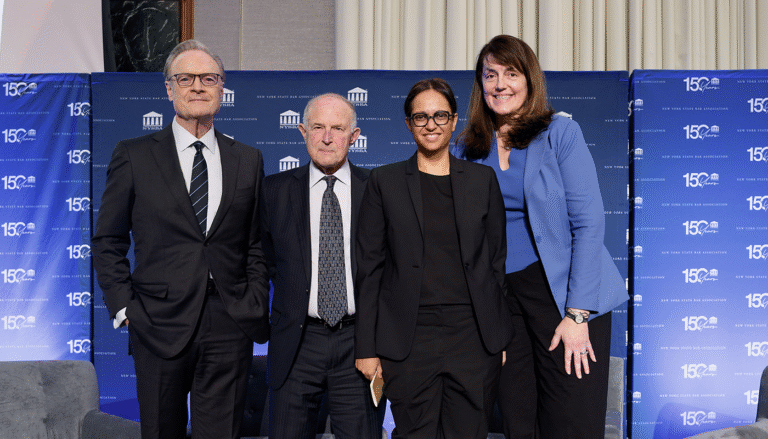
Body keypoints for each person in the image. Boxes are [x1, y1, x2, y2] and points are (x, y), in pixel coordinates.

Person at [91, 40, 270, 439]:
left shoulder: (248, 159)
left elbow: (255, 243)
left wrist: (253, 300)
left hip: (230, 322)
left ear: (221, 89)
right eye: (185, 78)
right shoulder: (134, 155)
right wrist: (126, 310)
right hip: (157, 321)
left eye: (208, 78)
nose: (197, 87)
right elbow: (108, 241)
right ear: (169, 89)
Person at [454, 35, 628, 439]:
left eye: (511, 74)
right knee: (519, 421)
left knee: (571, 423)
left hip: (564, 295)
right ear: (480, 84)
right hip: (503, 300)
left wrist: (577, 314)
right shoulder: (466, 149)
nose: (500, 84)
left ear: (529, 80)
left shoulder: (560, 134)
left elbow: (588, 224)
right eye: (490, 74)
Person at [355, 78, 512, 439]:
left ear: (454, 121)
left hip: (472, 336)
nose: (431, 124)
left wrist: (496, 335)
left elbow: (495, 263)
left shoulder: (482, 180)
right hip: (409, 339)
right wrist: (367, 347)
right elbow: (369, 269)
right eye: (421, 117)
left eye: (440, 115)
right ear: (409, 124)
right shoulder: (384, 181)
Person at [260, 93, 385, 439]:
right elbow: (262, 262)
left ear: (354, 136)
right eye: (318, 127)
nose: (327, 137)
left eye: (337, 128)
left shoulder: (377, 189)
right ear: (303, 131)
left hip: (360, 344)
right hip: (296, 343)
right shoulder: (273, 191)